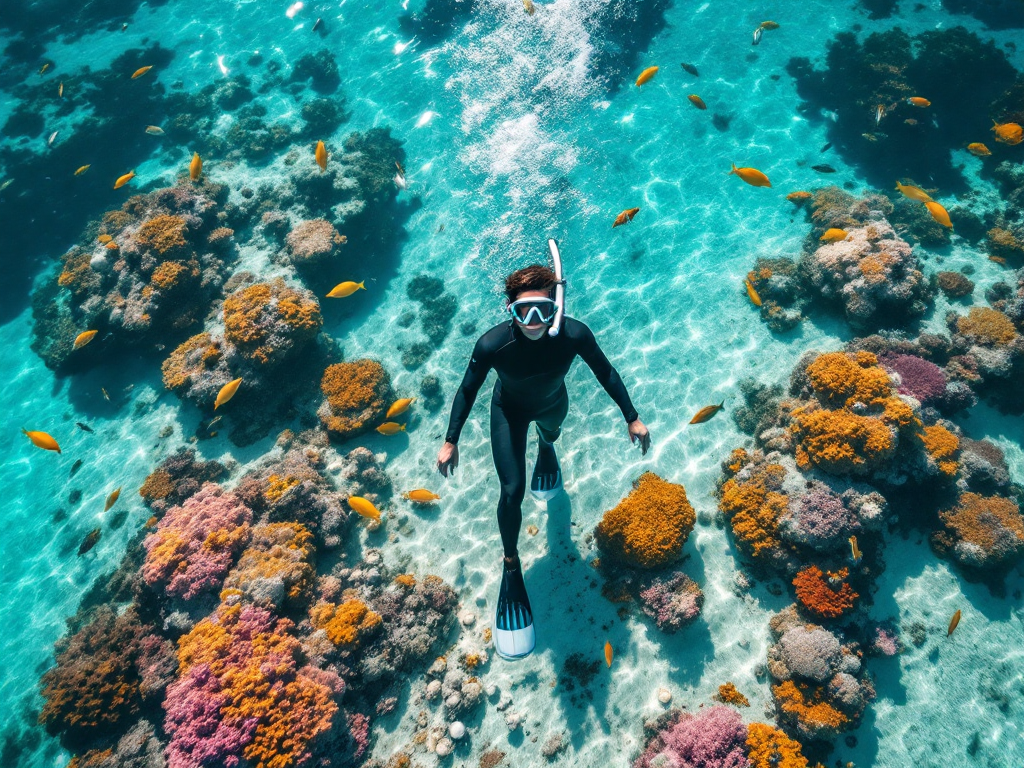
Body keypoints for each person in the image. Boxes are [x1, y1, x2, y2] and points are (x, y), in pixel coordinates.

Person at [436, 263, 650, 660]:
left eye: (543, 311)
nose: (533, 322)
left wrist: (631, 417)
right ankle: (511, 563)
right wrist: (451, 440)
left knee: (550, 435)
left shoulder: (574, 334)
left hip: (553, 406)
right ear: (509, 310)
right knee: (512, 490)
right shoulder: (491, 344)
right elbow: (468, 390)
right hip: (508, 412)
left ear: (556, 307)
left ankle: (546, 446)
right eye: (523, 312)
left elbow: (606, 371)